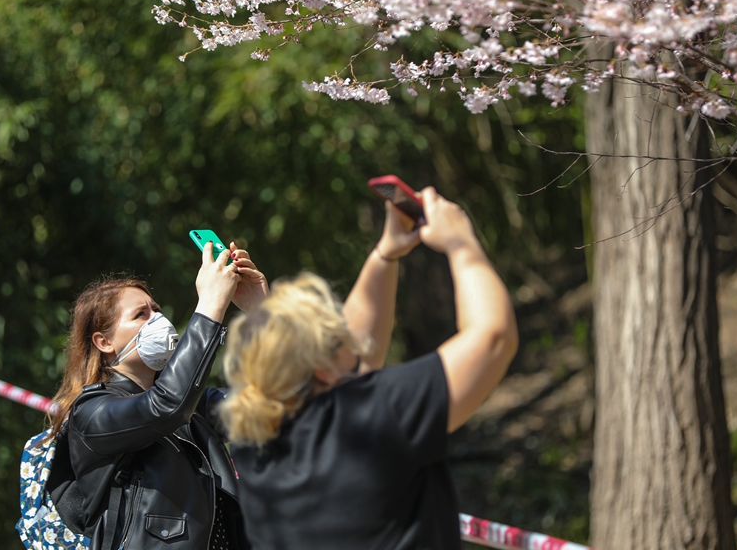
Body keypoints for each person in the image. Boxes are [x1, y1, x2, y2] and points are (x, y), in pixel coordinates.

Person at [221, 188, 519, 550]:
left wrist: (386, 253)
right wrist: (460, 242)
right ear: (323, 368)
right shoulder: (375, 413)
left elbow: (359, 352)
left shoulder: (254, 444)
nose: (345, 327)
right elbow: (494, 338)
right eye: (334, 330)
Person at [45, 240, 267, 550]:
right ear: (104, 341)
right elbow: (166, 406)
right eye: (141, 314)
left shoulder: (194, 407)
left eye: (156, 310)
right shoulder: (91, 414)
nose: (158, 321)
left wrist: (264, 313)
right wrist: (211, 304)